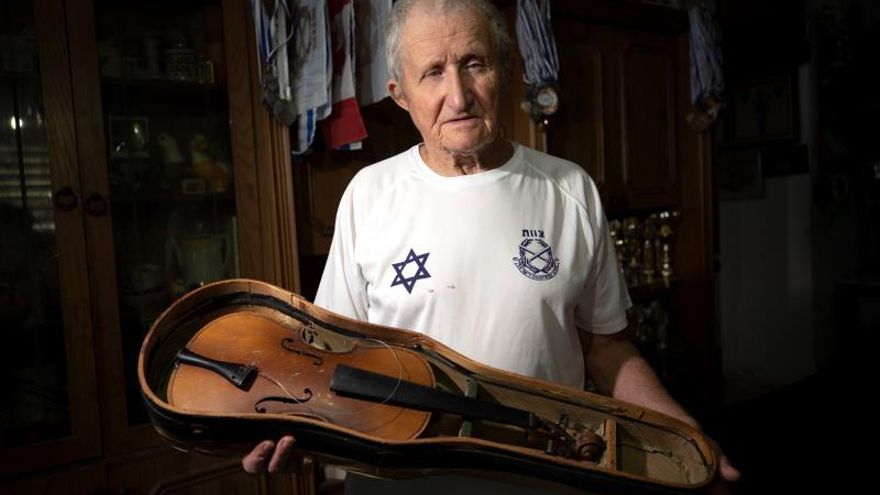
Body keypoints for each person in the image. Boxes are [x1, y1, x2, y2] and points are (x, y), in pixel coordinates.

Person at [243, 0, 740, 493]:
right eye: (432, 73)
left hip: (546, 470)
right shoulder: (369, 195)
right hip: (398, 476)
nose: (458, 97)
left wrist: (683, 433)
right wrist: (290, 424)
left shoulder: (569, 189)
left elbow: (604, 346)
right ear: (400, 94)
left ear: (504, 70)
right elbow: (330, 357)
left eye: (473, 64)